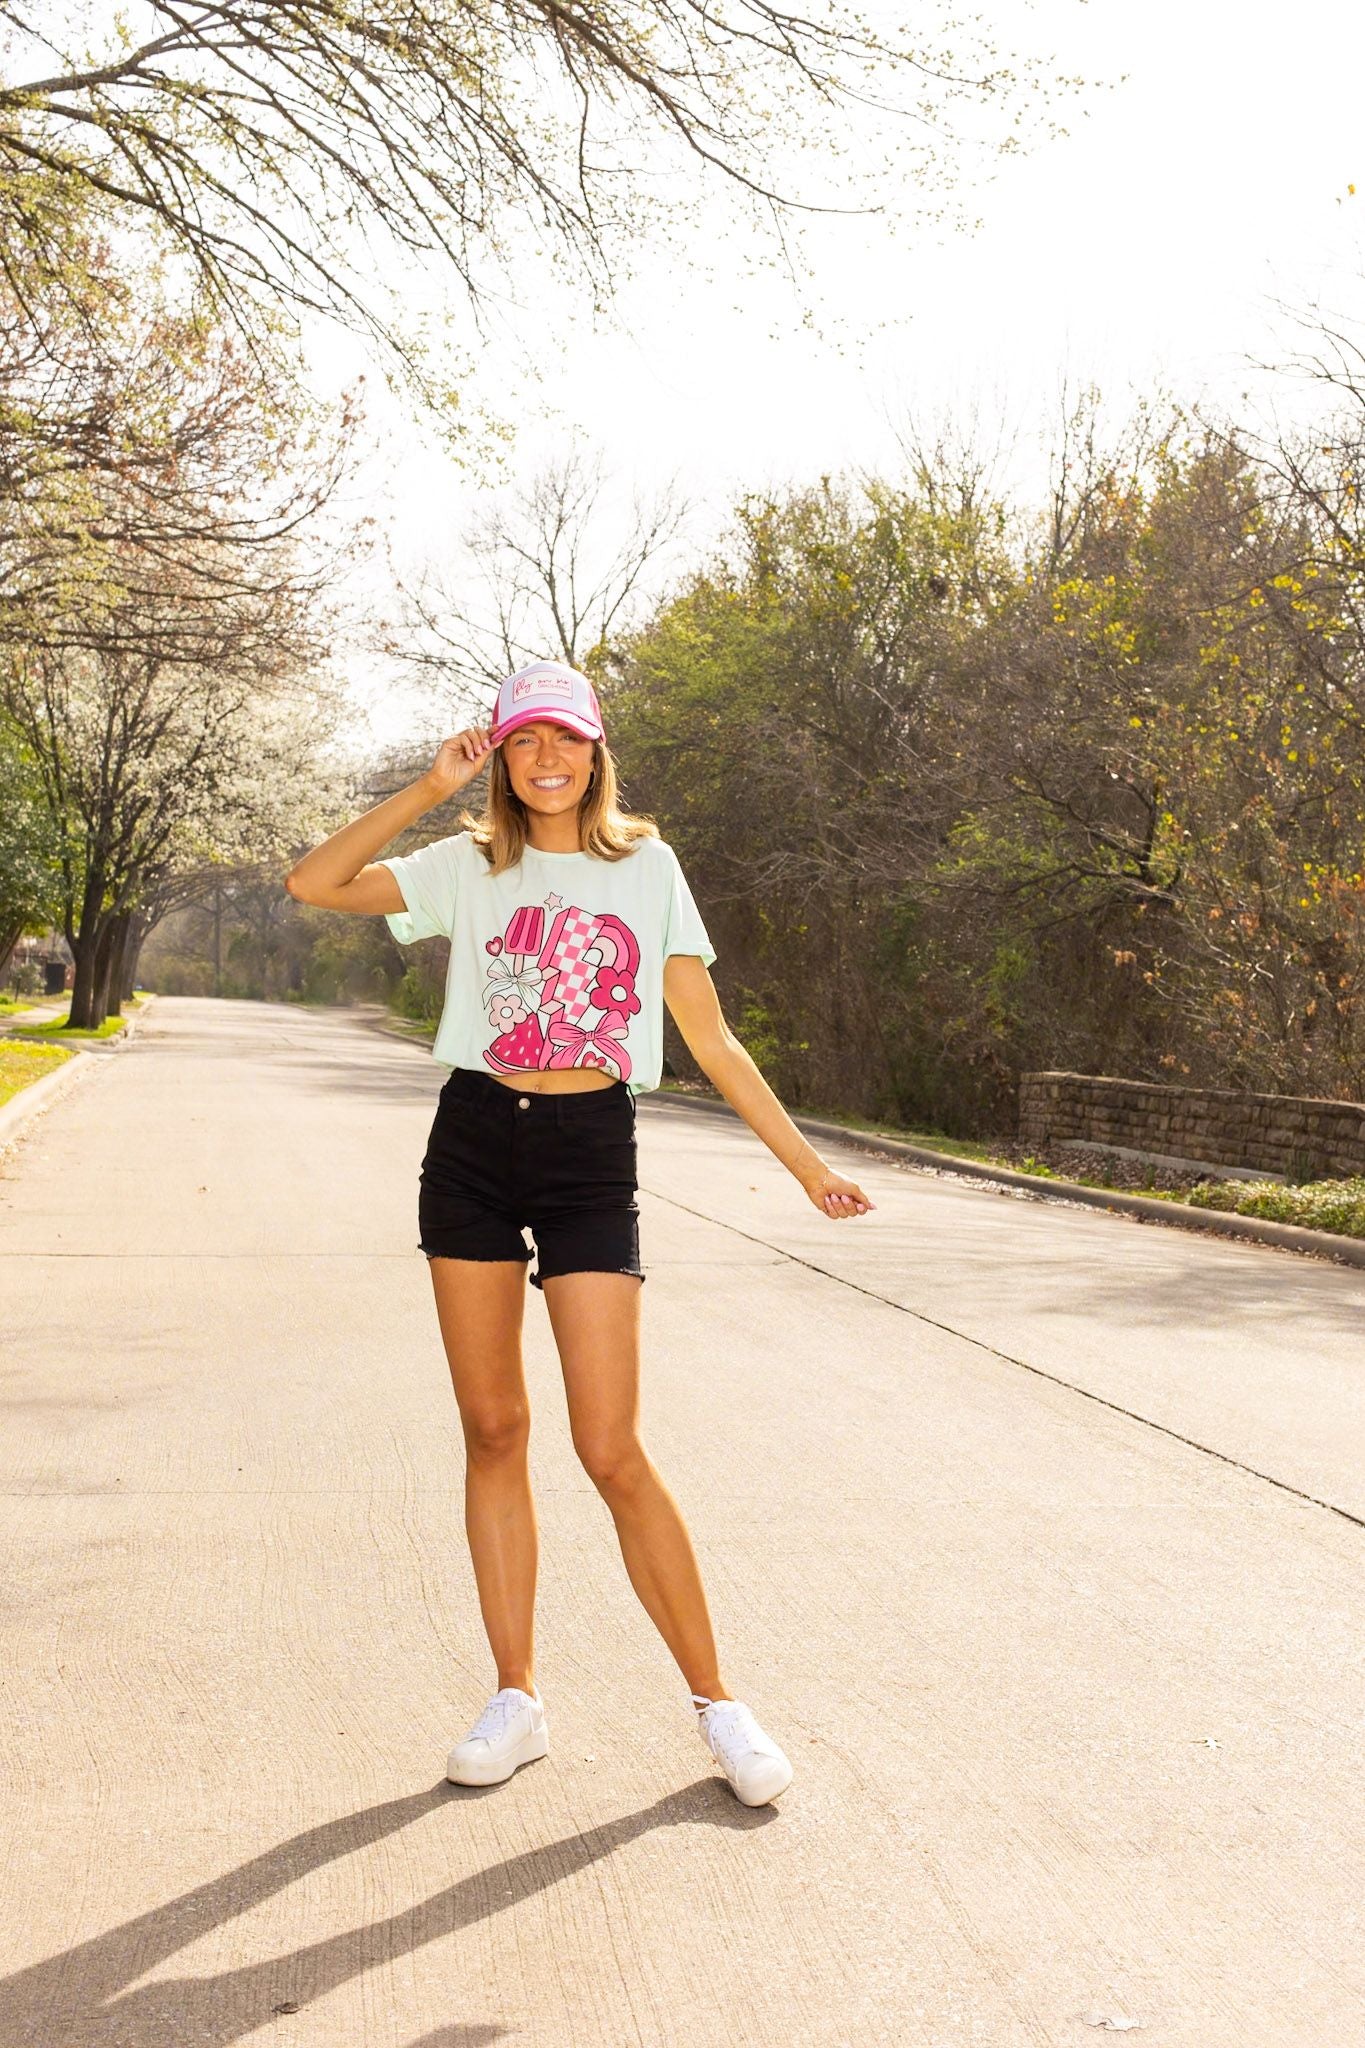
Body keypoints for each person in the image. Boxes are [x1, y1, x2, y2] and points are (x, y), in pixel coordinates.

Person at [284, 659, 876, 1807]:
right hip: (472, 1139)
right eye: (521, 743)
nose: (545, 760)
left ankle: (721, 1704)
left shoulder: (648, 868)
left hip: (590, 1151)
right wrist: (424, 787)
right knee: (494, 1426)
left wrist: (807, 1167)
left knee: (610, 1445)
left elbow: (711, 1038)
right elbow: (315, 881)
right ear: (499, 757)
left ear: (596, 750)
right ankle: (517, 1697)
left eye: (564, 739)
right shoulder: (467, 864)